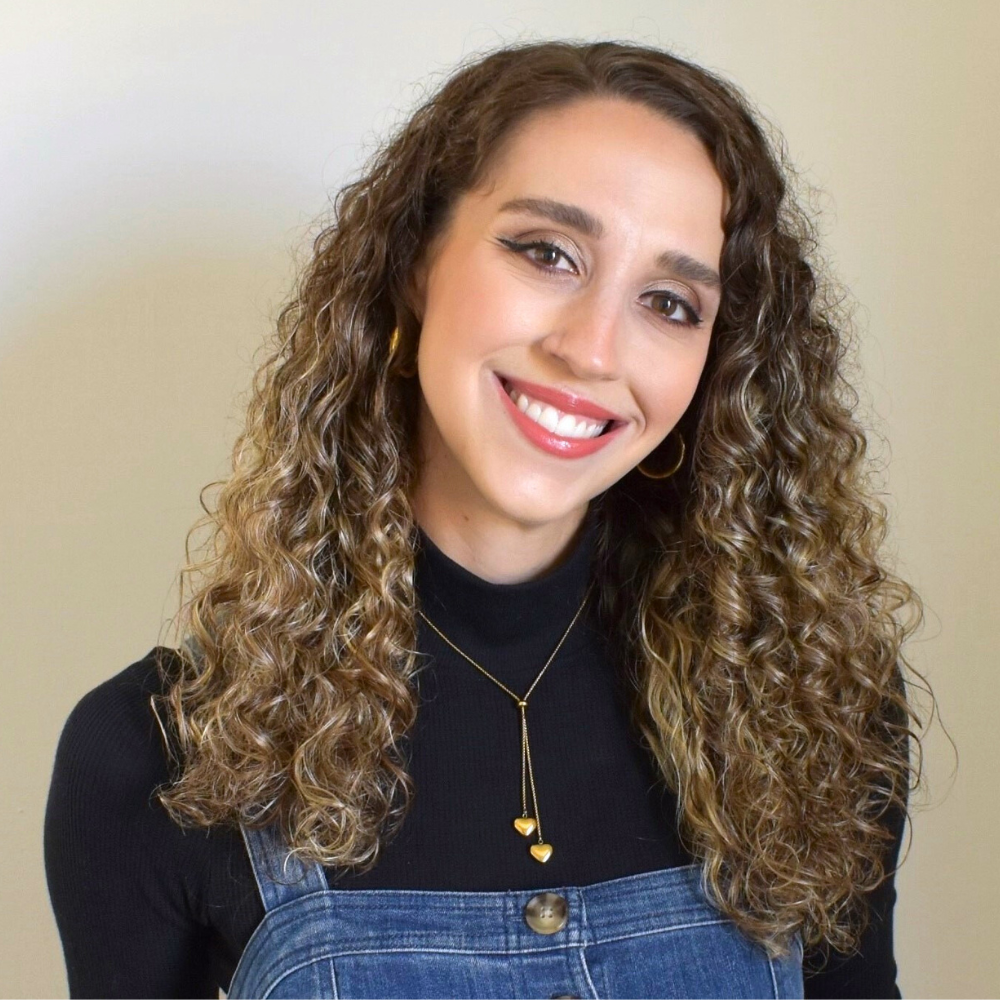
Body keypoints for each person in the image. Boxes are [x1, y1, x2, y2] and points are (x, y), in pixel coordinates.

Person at [44, 39, 927, 999]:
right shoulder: (159, 756)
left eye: (669, 303)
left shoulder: (813, 714)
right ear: (416, 262)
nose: (593, 350)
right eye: (548, 252)